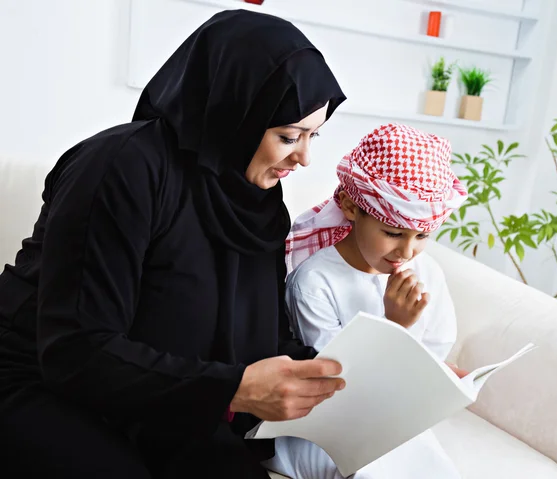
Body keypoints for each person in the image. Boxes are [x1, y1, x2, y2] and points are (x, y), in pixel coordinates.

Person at [0, 10, 347, 478]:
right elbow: (75, 349)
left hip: (165, 396)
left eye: (313, 137)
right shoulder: (122, 166)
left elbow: (264, 336)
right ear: (236, 111)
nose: (305, 158)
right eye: (289, 136)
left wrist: (337, 377)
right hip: (39, 380)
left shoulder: (257, 204)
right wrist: (233, 390)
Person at [265, 123, 469, 478]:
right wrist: (395, 327)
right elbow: (337, 387)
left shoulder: (427, 271)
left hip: (394, 421)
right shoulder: (314, 281)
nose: (406, 251)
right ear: (348, 205)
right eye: (392, 232)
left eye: (421, 235)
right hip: (327, 430)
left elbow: (435, 350)